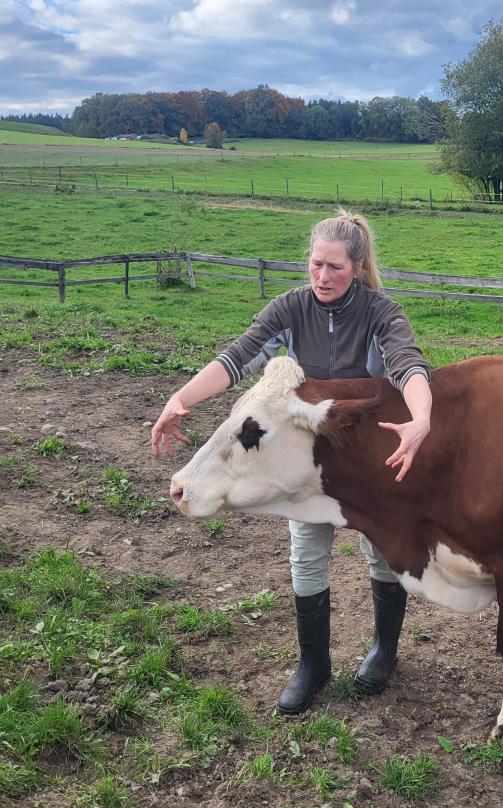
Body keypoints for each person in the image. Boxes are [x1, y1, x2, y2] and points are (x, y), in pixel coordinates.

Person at [150, 210, 432, 714]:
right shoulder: (289, 308)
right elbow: (237, 358)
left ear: (358, 266)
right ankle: (313, 664)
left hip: (364, 457)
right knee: (306, 551)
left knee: (381, 551)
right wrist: (181, 398)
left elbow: (407, 363)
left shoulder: (379, 312)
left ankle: (385, 650)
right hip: (303, 462)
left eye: (335, 268)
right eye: (315, 264)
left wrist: (422, 417)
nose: (322, 277)